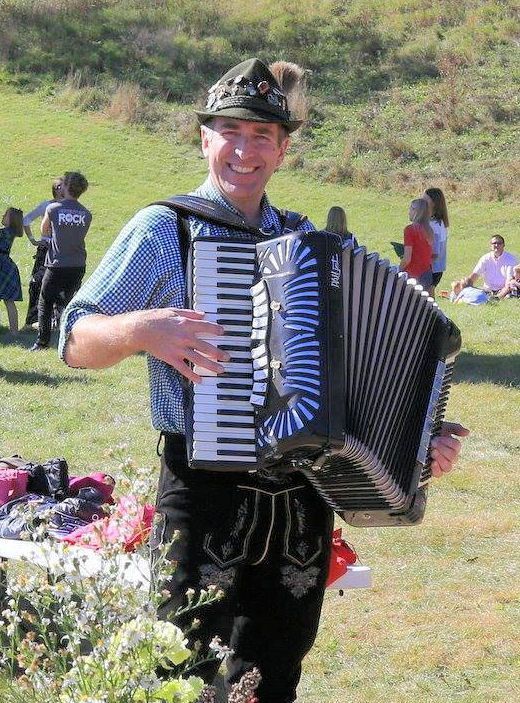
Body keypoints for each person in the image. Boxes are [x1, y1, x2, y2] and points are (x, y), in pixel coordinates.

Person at [59, 58, 468, 702]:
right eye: (231, 132)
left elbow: (367, 373)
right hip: (203, 491)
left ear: (282, 150)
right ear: (205, 137)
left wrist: (424, 442)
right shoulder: (168, 228)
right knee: (183, 673)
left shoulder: (308, 245)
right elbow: (75, 339)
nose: (245, 150)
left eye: (263, 136)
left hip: (300, 501)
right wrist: (142, 331)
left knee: (275, 675)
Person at [31, 171, 92, 351]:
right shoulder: (87, 214)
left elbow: (44, 231)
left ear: (66, 187)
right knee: (70, 303)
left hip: (57, 263)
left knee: (45, 301)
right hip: (78, 264)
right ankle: (74, 341)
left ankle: (42, 342)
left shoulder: (53, 208)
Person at [22, 178, 65, 328]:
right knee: (37, 282)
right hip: (46, 249)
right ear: (54, 189)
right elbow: (26, 220)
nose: (62, 189)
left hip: (61, 250)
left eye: (65, 186)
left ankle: (57, 321)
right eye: (59, 186)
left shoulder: (70, 208)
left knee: (60, 285)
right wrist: (34, 240)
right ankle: (33, 319)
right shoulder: (47, 206)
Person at [399, 197, 434, 292]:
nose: (409, 211)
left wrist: (399, 270)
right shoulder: (429, 230)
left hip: (413, 275)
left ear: (416, 211)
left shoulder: (410, 230)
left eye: (411, 208)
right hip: (427, 273)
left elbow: (407, 259)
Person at [0, 207, 24, 334]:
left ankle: (14, 331)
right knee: (9, 302)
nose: (3, 215)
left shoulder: (5, 233)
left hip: (3, 269)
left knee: (9, 302)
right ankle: (14, 332)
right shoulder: (9, 232)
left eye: (6, 214)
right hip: (6, 269)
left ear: (12, 220)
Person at [423, 187, 449, 295]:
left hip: (433, 269)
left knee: (428, 301)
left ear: (433, 203)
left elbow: (435, 253)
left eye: (425, 199)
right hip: (433, 268)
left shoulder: (435, 225)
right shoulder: (432, 222)